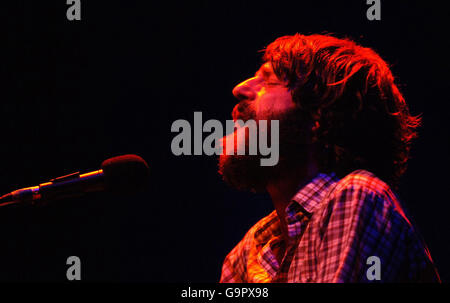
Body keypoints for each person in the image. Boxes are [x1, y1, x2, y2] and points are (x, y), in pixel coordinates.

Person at [218, 33, 440, 282]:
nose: (240, 88)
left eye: (268, 81)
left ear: (317, 116)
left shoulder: (357, 196)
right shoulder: (250, 251)